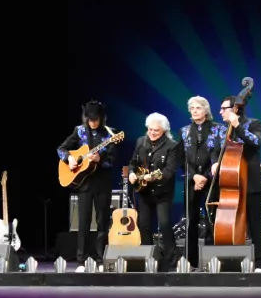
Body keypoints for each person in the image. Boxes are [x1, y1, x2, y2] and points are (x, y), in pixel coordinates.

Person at [57, 100, 118, 272]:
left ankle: (100, 260)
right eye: (90, 119)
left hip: (102, 184)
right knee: (83, 223)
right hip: (84, 184)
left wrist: (100, 160)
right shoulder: (80, 131)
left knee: (102, 222)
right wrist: (69, 158)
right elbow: (61, 149)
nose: (93, 123)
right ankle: (81, 260)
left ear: (101, 118)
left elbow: (112, 161)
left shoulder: (111, 134)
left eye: (95, 119)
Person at [211, 95, 261, 272]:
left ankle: (260, 263)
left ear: (235, 109)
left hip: (249, 181)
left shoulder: (253, 124)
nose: (220, 112)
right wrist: (214, 162)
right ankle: (229, 260)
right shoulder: (220, 129)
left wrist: (237, 126)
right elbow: (215, 150)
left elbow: (255, 142)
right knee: (226, 221)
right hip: (228, 182)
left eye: (224, 108)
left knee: (255, 223)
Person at [128, 112, 182, 272]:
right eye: (150, 129)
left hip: (162, 192)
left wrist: (152, 177)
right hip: (144, 192)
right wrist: (131, 173)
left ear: (164, 131)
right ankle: (149, 257)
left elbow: (169, 171)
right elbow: (133, 162)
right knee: (144, 225)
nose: (152, 133)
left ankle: (172, 259)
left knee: (164, 224)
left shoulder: (172, 146)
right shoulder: (140, 142)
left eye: (156, 130)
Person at [179, 96, 227, 268]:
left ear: (206, 110)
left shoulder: (219, 129)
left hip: (211, 180)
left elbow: (220, 154)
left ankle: (210, 261)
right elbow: (182, 158)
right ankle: (190, 262)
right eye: (192, 108)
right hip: (192, 180)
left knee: (211, 220)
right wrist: (194, 176)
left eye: (198, 108)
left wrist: (205, 176)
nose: (194, 111)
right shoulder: (184, 131)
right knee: (190, 220)